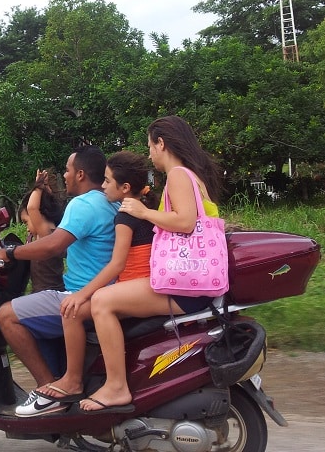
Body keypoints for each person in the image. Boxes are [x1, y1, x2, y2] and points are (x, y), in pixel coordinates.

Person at [80, 116, 223, 413]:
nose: (149, 154)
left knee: (102, 302)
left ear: (162, 143)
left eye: (150, 146)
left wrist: (143, 213)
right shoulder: (194, 175)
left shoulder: (179, 176)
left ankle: (116, 387)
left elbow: (184, 222)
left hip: (185, 286)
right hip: (193, 281)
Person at [0, 145, 118, 417]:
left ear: (80, 174)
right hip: (106, 293)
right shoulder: (110, 202)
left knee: (6, 315)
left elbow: (52, 246)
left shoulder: (83, 204)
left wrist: (10, 252)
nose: (65, 176)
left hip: (80, 295)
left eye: (67, 170)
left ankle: (50, 390)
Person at [30, 150, 156, 412]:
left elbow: (117, 264)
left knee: (72, 311)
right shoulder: (139, 210)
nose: (103, 186)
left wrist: (81, 293)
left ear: (125, 187)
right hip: (139, 283)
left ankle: (79, 381)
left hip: (133, 285)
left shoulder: (124, 215)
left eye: (107, 182)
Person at [19, 169, 65, 293]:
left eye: (26, 222)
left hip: (48, 293)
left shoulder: (46, 233)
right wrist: (46, 190)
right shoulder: (53, 231)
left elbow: (32, 207)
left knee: (4, 311)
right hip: (43, 291)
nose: (27, 228)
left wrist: (38, 186)